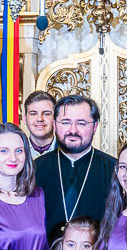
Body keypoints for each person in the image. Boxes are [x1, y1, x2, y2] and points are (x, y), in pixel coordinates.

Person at [35, 94, 115, 237]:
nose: (73, 130)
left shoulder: (114, 169)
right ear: (54, 125)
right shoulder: (35, 169)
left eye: (81, 123)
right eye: (65, 122)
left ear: (95, 127)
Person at [21, 89, 57, 158]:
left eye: (46, 114)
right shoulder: (17, 153)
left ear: (55, 118)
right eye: (33, 114)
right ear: (25, 119)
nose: (40, 119)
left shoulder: (68, 152)